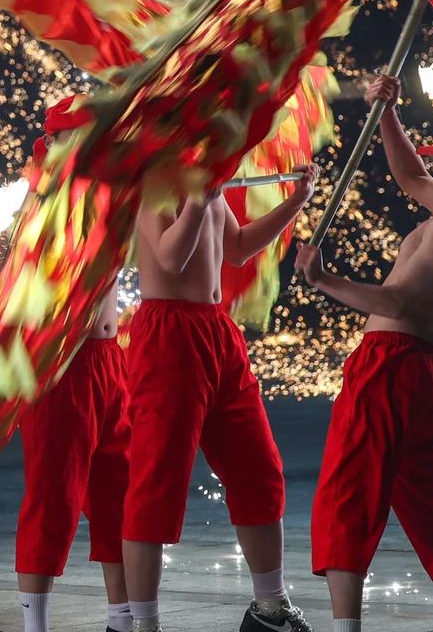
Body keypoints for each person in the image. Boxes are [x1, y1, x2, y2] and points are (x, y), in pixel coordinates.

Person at [295, 75, 433, 632]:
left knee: (347, 495)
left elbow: (399, 301)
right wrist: (385, 112)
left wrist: (325, 280)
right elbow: (409, 174)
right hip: (425, 374)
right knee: (432, 504)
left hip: (389, 364)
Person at [121, 150, 321, 632]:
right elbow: (170, 257)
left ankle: (270, 609)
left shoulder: (202, 174)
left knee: (259, 470)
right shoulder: (154, 178)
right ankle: (143, 625)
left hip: (217, 333)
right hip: (168, 335)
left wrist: (298, 200)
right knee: (156, 484)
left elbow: (235, 248)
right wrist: (198, 199)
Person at [13, 97, 133, 632]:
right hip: (59, 365)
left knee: (118, 489)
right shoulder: (39, 209)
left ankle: (122, 617)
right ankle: (35, 624)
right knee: (53, 495)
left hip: (109, 361)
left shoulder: (108, 201)